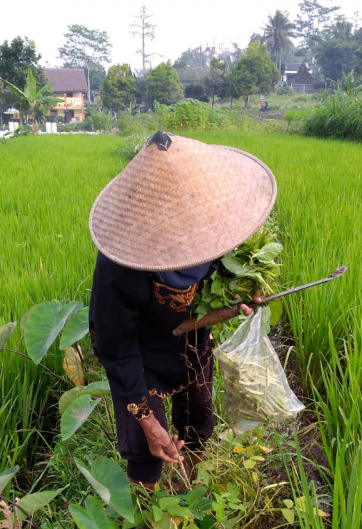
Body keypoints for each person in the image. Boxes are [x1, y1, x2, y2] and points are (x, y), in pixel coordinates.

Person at [88, 131, 277, 489]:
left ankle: (189, 485)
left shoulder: (218, 224)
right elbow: (115, 347)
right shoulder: (121, 265)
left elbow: (225, 281)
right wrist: (147, 420)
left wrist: (238, 297)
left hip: (191, 341)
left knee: (199, 419)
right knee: (146, 450)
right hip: (140, 357)